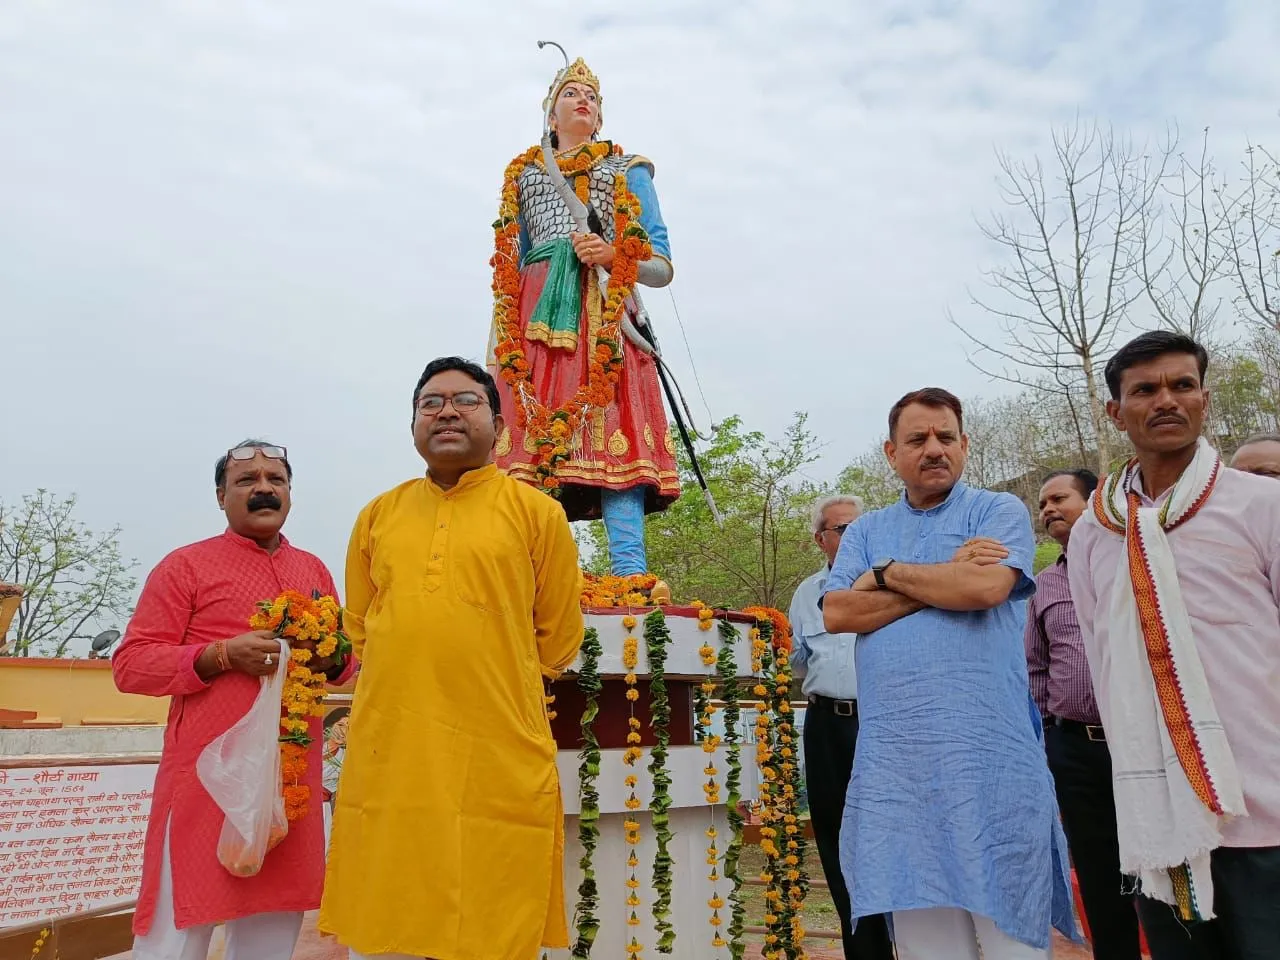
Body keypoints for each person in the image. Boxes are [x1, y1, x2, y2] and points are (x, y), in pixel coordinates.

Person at [319, 356, 585, 960]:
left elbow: (559, 638)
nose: (445, 412)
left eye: (465, 401)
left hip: (496, 743)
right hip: (395, 743)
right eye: (430, 402)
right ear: (413, 424)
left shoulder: (536, 513)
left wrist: (491, 678)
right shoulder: (378, 515)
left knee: (493, 902)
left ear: (497, 422)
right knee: (389, 900)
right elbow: (361, 627)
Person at [823, 387, 1077, 960]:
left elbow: (986, 588)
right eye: (917, 439)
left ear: (965, 444)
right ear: (891, 453)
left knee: (1011, 943)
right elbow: (839, 612)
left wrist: (884, 575)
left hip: (990, 765)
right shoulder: (865, 531)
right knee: (926, 946)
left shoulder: (996, 511)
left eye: (945, 437)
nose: (933, 449)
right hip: (900, 774)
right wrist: (942, 578)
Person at [1068, 331, 1280, 960]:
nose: (1166, 400)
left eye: (1182, 385)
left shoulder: (1263, 504)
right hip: (1157, 819)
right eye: (1145, 390)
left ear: (1205, 400)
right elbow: (1103, 661)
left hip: (1265, 808)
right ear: (1115, 411)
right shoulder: (1094, 532)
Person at [112, 440, 353, 960]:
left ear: (290, 493)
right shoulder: (186, 567)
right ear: (221, 496)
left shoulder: (314, 571)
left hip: (289, 783)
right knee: (177, 932)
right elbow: (130, 666)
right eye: (247, 480)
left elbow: (347, 663)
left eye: (276, 479)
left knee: (273, 927)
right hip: (206, 782)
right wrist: (220, 656)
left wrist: (331, 657)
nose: (264, 488)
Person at [487, 55, 679, 576]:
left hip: (607, 319)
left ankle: (629, 573)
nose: (583, 100)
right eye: (570, 93)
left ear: (600, 117)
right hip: (534, 319)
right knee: (531, 444)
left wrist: (614, 256)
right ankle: (531, 576)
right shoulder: (524, 175)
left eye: (591, 96)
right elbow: (512, 261)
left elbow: (660, 266)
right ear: (551, 115)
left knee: (619, 444)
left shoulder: (627, 170)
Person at [1026, 469, 1141, 960]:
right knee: (1097, 872)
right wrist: (1048, 741)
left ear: (1094, 499)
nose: (1049, 509)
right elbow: (1035, 668)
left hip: (1142, 744)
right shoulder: (1043, 584)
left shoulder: (1137, 564)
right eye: (1043, 504)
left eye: (1059, 498)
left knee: (1161, 867)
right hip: (1074, 748)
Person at [789, 494, 894, 960]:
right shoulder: (806, 593)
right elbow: (796, 661)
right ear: (821, 539)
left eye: (859, 527)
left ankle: (909, 943)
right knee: (834, 838)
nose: (853, 536)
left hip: (883, 721)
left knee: (891, 832)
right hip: (826, 725)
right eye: (842, 529)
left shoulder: (893, 581)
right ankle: (863, 951)